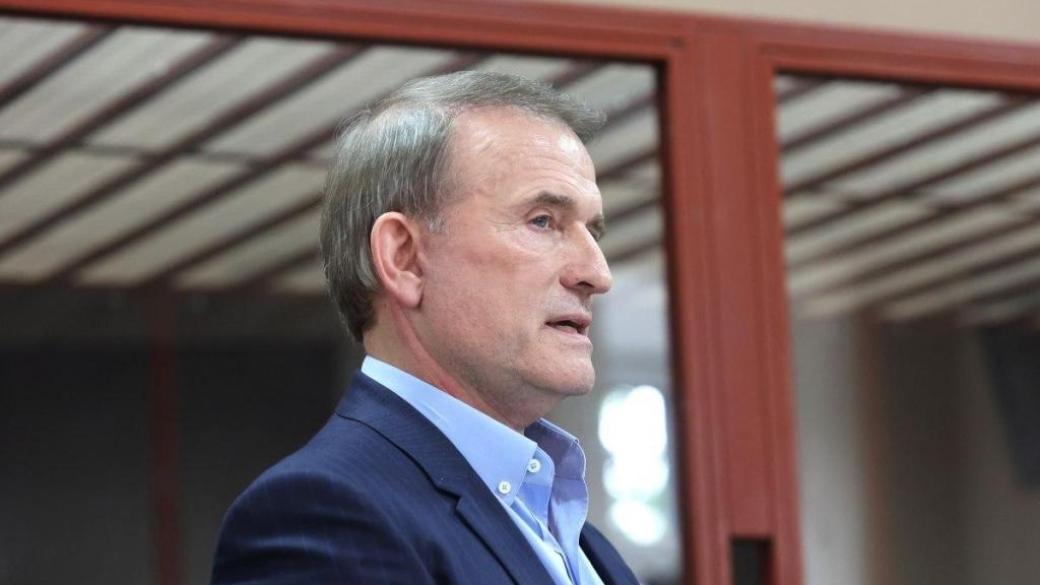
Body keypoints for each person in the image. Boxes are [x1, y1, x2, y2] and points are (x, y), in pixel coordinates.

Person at [211, 71, 638, 585]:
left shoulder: (577, 538)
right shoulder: (322, 515)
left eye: (593, 231)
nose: (597, 273)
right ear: (405, 258)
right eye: (543, 220)